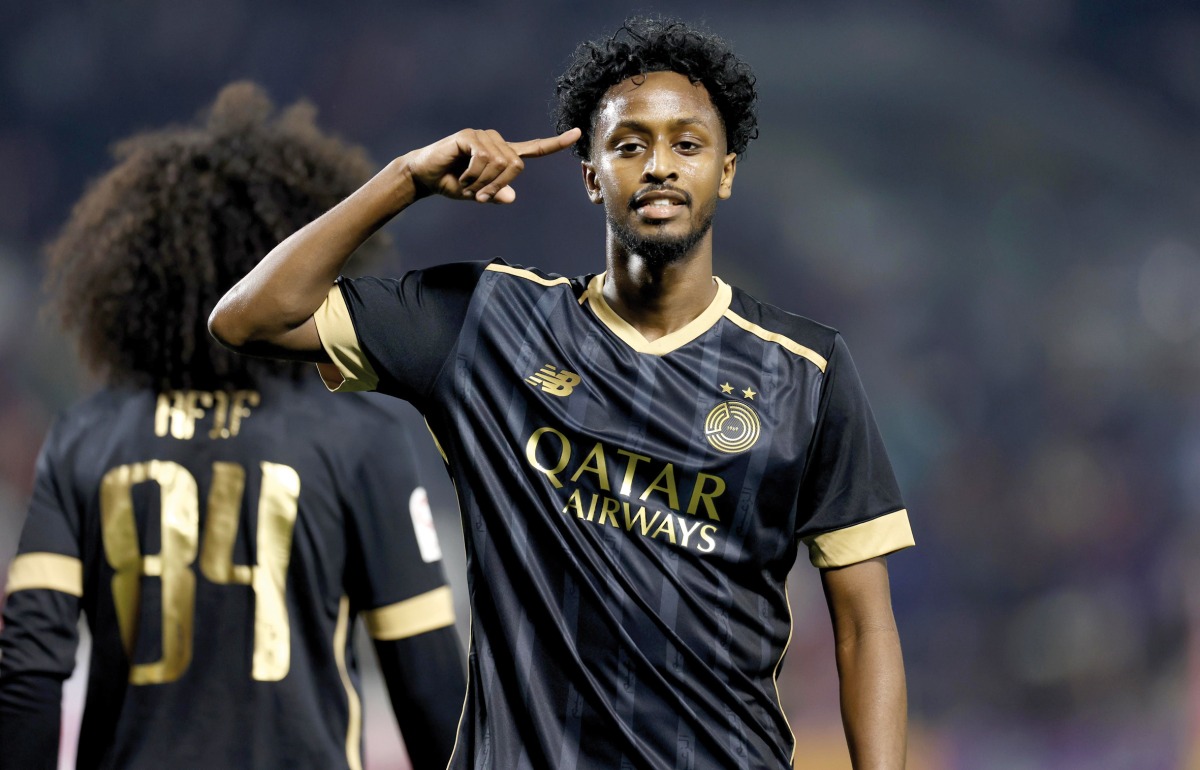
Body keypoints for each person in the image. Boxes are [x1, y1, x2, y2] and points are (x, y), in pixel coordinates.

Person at [210, 17, 915, 770]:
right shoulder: (483, 323)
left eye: (688, 144)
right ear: (589, 172)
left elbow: (863, 626)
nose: (659, 167)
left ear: (727, 170)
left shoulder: (807, 369)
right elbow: (250, 317)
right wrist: (406, 179)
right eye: (629, 144)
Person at [0, 82, 466, 770]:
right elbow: (431, 690)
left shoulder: (86, 435)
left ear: (132, 280)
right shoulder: (360, 439)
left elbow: (30, 676)